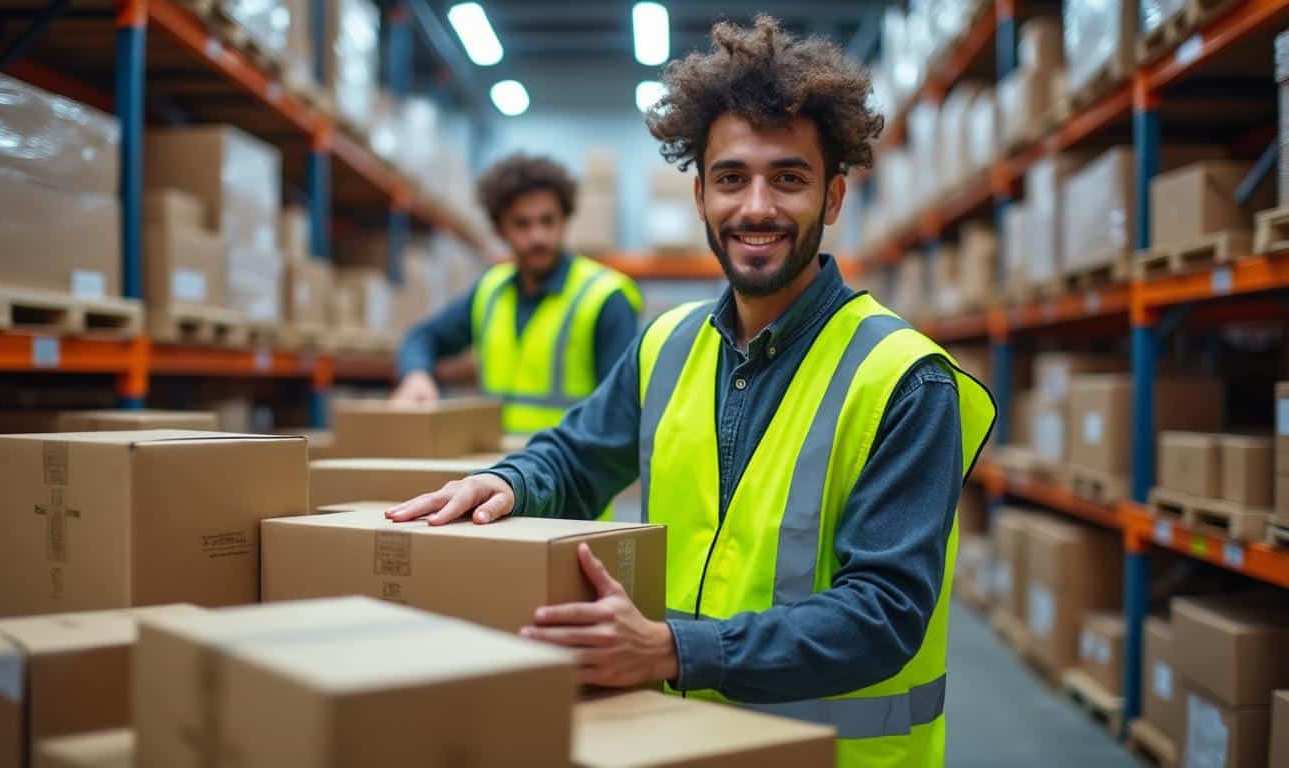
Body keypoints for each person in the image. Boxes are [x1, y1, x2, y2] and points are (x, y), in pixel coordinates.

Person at [388, 16, 995, 767]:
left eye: (789, 178)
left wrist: (675, 649)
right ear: (702, 194)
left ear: (834, 197)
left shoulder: (905, 378)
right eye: (732, 179)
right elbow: (576, 459)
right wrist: (507, 481)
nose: (756, 207)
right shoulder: (666, 345)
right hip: (682, 745)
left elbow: (884, 613)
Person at [391, 153, 643, 436]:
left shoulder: (606, 298)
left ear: (565, 221)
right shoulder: (490, 291)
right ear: (500, 230)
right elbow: (422, 337)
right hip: (495, 459)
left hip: (570, 463)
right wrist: (416, 375)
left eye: (548, 221)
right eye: (522, 224)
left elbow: (618, 416)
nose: (538, 237)